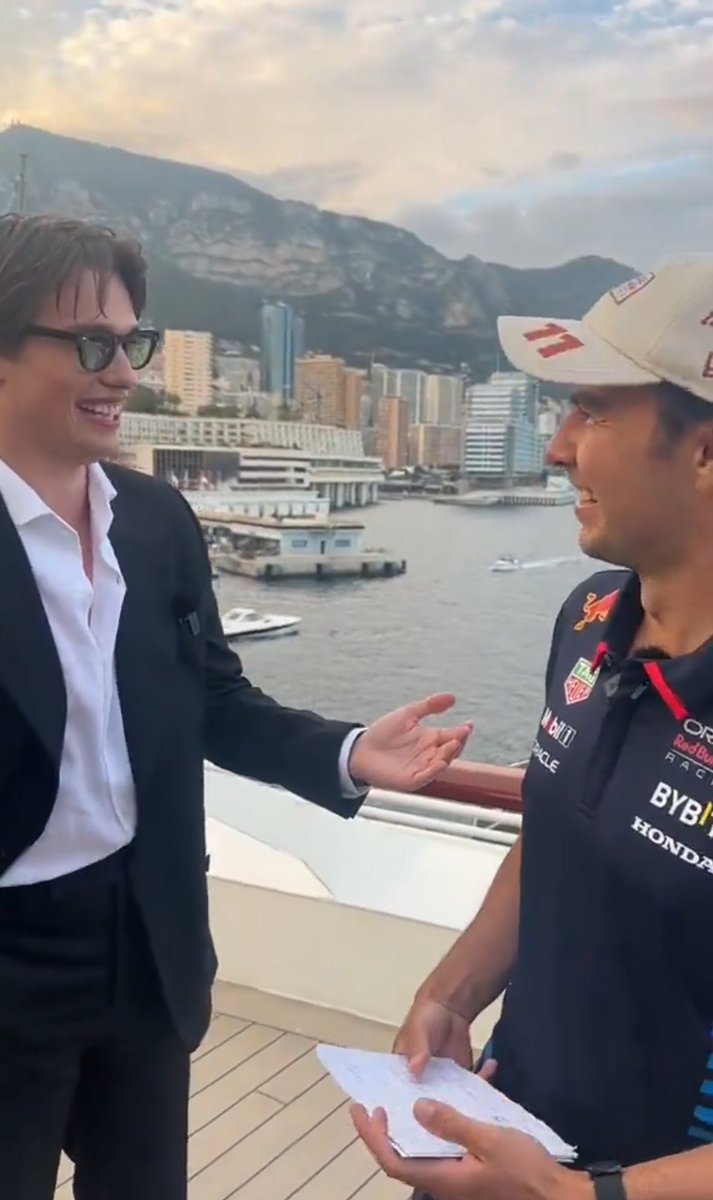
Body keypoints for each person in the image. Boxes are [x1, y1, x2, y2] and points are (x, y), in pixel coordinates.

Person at [0, 212, 474, 1200]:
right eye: (93, 344)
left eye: (133, 342)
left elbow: (212, 697)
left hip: (150, 942)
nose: (125, 371)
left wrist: (348, 753)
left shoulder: (158, 524)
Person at [353, 256, 713, 1200]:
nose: (556, 450)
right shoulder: (592, 616)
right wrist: (449, 994)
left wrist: (580, 1197)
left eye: (592, 410)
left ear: (705, 452)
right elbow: (557, 831)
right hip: (512, 1134)